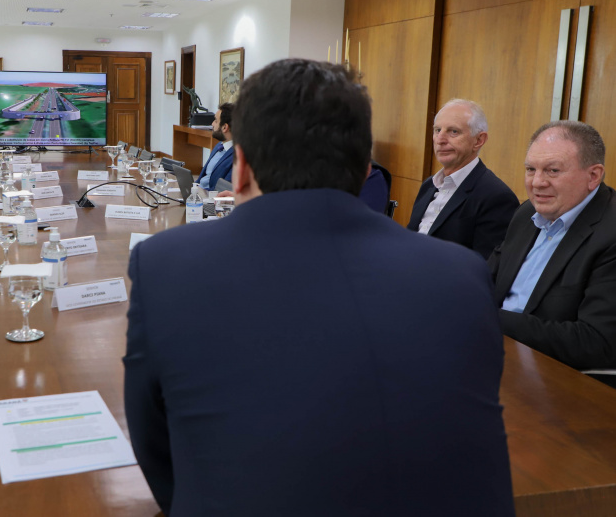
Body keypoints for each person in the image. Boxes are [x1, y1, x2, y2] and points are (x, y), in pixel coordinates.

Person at [124, 59, 514, 516]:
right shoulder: (462, 275)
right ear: (364, 166)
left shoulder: (165, 266)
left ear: (242, 165)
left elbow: (155, 447)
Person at [490, 120, 616, 381]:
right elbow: (487, 278)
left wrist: (491, 318)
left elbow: (597, 343)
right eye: (530, 169)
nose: (537, 182)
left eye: (552, 171)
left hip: (565, 383)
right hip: (498, 357)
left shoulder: (611, 233)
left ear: (593, 176)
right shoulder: (527, 212)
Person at [407, 99, 519, 258]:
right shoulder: (428, 185)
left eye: (453, 132)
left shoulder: (496, 197)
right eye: (437, 130)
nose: (440, 140)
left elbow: (484, 268)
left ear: (479, 140)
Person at [196, 103, 234, 191]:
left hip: (209, 199)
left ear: (225, 127)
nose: (212, 124)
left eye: (216, 121)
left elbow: (223, 190)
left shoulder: (238, 156)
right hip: (197, 194)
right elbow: (203, 177)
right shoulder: (219, 146)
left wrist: (200, 193)